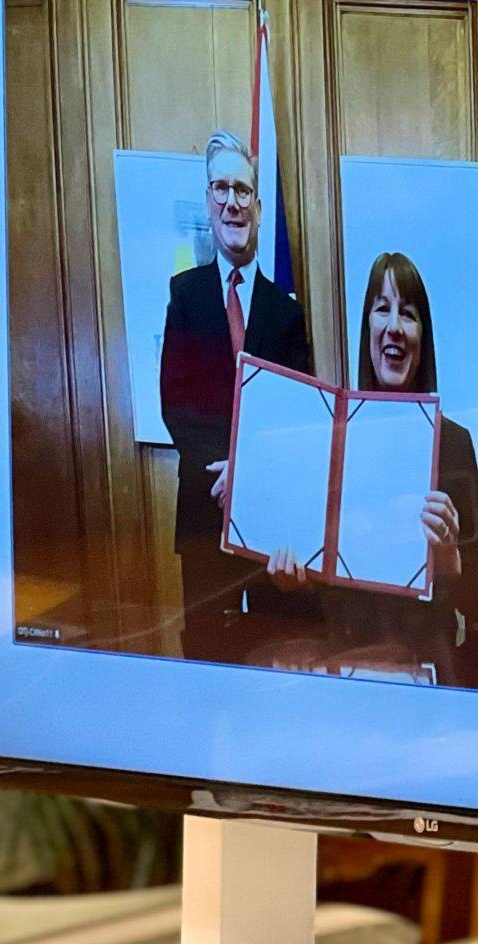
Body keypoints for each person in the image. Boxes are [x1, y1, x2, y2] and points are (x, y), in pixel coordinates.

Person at [159, 130, 310, 657]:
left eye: (243, 190)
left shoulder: (287, 313)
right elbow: (175, 403)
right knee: (206, 657)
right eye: (221, 189)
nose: (232, 202)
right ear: (208, 201)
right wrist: (224, 470)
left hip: (270, 520)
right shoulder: (185, 295)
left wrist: (250, 474)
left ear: (259, 208)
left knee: (276, 653)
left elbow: (298, 417)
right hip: (203, 513)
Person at [278, 251, 478, 639]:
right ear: (366, 326)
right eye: (382, 309)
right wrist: (296, 581)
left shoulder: (455, 443)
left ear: (424, 335)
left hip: (427, 654)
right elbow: (319, 589)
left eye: (408, 314)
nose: (394, 327)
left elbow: (477, 596)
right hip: (345, 653)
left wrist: (449, 556)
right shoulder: (333, 440)